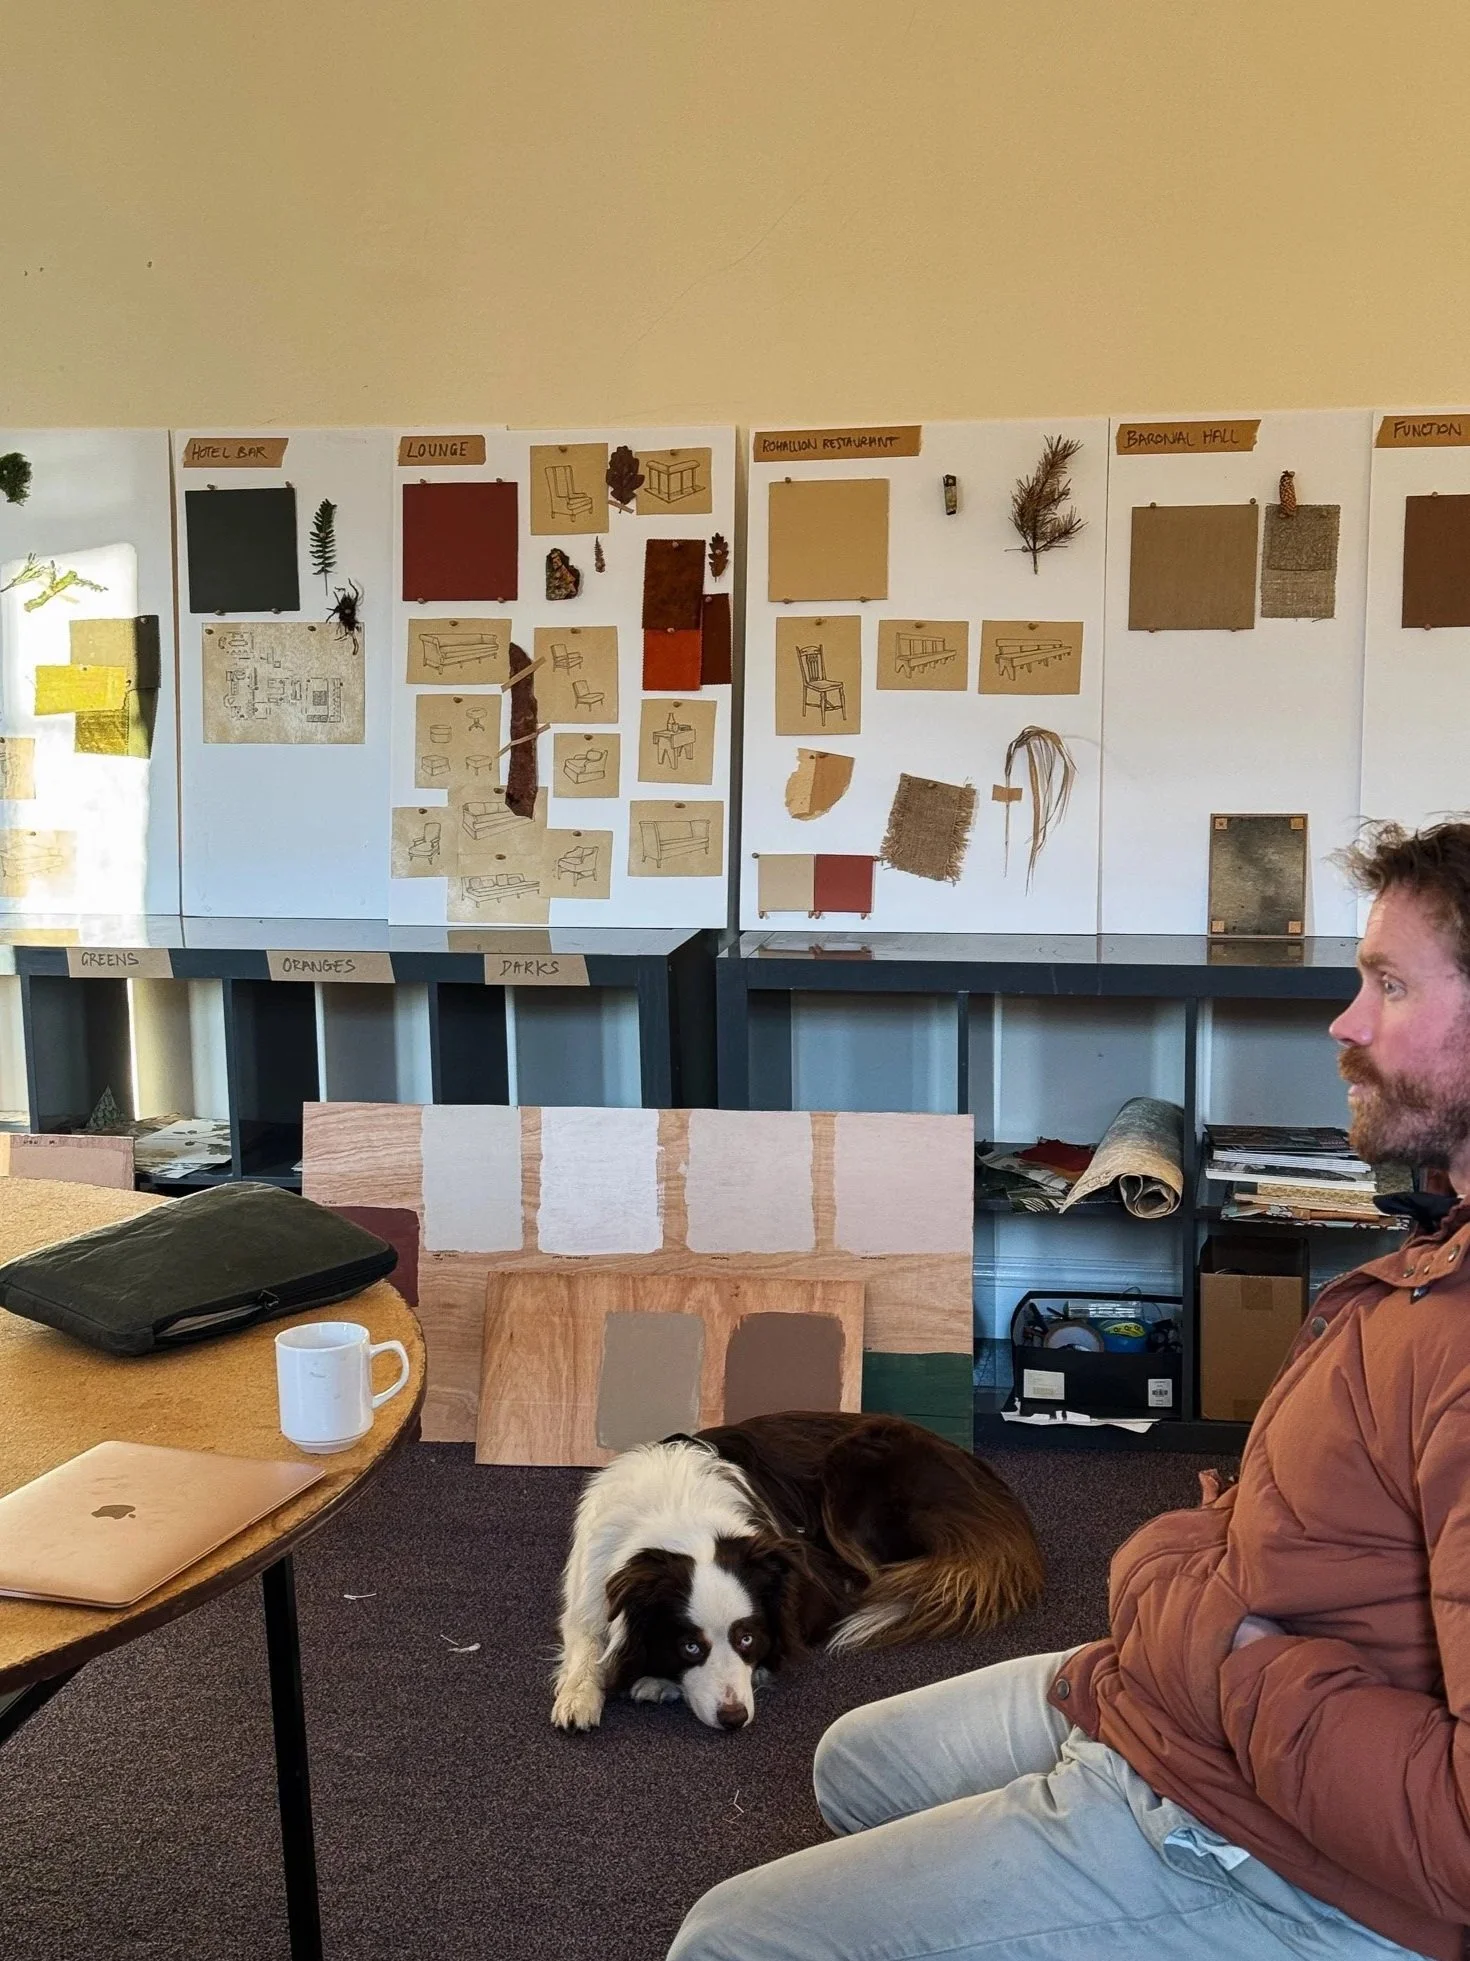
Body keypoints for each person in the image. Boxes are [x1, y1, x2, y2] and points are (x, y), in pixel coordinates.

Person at [668, 819, 1470, 1961]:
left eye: (1388, 984)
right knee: (851, 1759)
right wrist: (1187, 1580)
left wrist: (1224, 1642)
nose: (1343, 1020)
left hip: (1276, 1853)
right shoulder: (1433, 1237)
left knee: (724, 1940)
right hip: (1184, 1689)